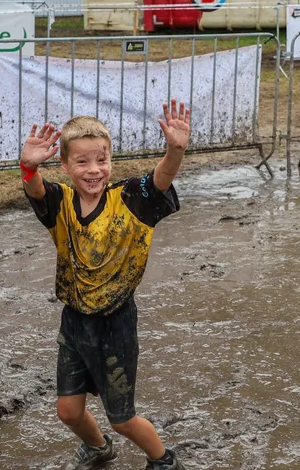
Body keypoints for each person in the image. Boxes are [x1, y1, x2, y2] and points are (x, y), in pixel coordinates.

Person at [19, 101, 191, 470]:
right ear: (65, 166)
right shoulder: (60, 202)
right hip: (75, 321)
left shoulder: (130, 199)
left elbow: (161, 177)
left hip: (116, 324)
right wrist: (28, 166)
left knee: (123, 418)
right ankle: (99, 448)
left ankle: (164, 461)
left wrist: (175, 150)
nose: (93, 170)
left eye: (101, 160)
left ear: (111, 160)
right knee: (68, 411)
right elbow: (34, 189)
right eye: (81, 162)